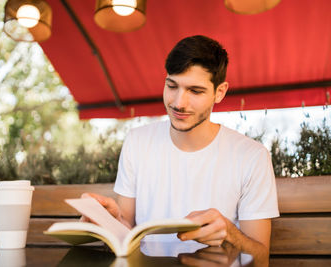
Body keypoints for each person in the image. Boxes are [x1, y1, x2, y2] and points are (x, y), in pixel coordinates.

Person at [83, 35, 279, 265]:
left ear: (220, 92)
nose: (178, 103)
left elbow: (261, 258)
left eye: (195, 91)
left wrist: (230, 233)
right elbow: (127, 227)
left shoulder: (252, 157)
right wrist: (111, 220)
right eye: (172, 86)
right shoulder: (137, 142)